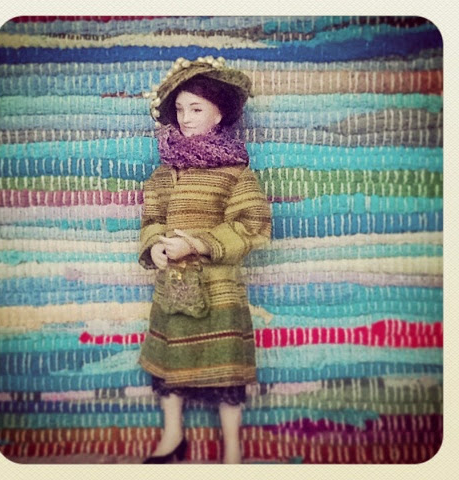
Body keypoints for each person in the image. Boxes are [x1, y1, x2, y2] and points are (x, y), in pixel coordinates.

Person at [138, 56, 271, 464]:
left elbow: (251, 225)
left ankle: (232, 450)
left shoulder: (237, 173)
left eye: (196, 109)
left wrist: (198, 243)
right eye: (180, 109)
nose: (186, 118)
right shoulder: (165, 173)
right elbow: (152, 218)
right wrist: (155, 246)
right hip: (173, 285)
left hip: (218, 289)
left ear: (219, 114)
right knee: (170, 364)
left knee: (226, 369)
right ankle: (173, 437)